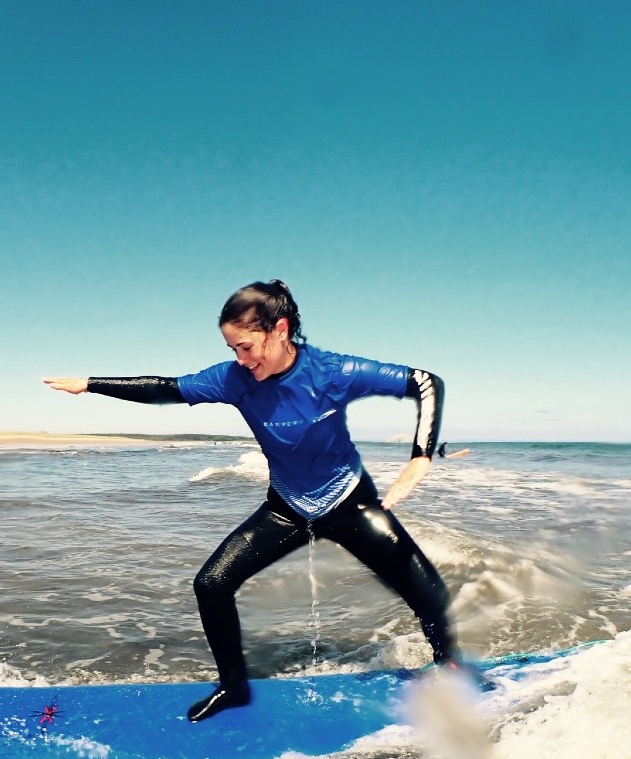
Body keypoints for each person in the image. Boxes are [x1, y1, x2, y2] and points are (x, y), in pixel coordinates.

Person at [45, 279, 462, 722]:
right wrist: (90, 384)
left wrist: (420, 457)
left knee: (426, 592)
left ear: (279, 330)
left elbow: (425, 382)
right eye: (233, 350)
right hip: (287, 506)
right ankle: (233, 688)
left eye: (246, 347)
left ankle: (450, 668)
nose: (241, 360)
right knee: (211, 584)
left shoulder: (332, 371)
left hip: (348, 503)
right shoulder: (235, 380)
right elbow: (166, 388)